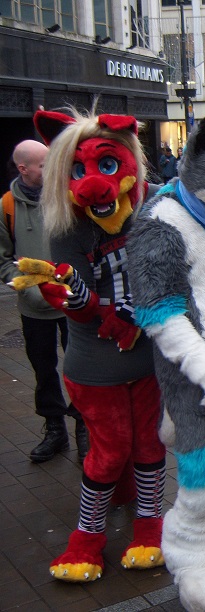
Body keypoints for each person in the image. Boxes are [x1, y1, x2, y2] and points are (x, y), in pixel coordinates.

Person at [0, 139, 87, 463]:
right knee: (43, 369)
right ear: (23, 169)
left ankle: (84, 426)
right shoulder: (7, 205)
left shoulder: (66, 195)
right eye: (43, 165)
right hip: (34, 309)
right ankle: (54, 429)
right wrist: (29, 289)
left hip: (72, 304)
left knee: (79, 368)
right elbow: (3, 259)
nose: (52, 169)